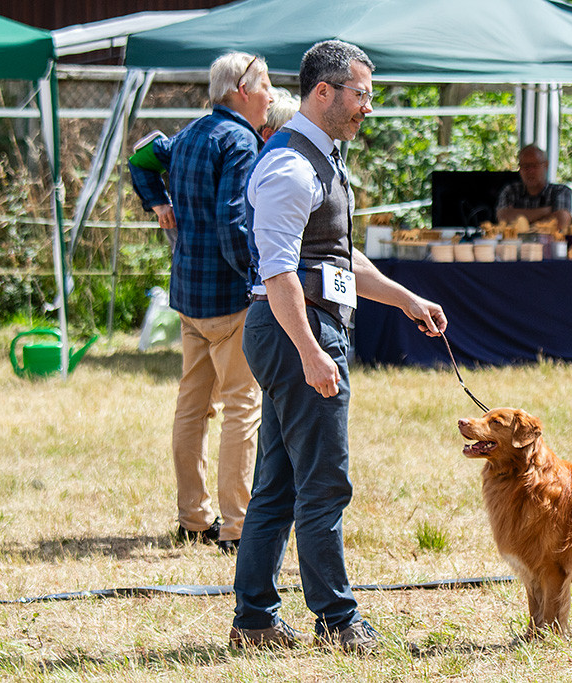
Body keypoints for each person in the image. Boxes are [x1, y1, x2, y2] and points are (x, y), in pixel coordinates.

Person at [230, 40, 447, 654]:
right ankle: (339, 621)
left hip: (304, 329)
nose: (367, 109)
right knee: (324, 484)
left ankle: (255, 622)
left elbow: (335, 256)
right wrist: (310, 351)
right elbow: (278, 275)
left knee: (278, 485)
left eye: (369, 96)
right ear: (322, 92)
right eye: (360, 95)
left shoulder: (322, 158)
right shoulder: (290, 167)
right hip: (295, 330)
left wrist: (406, 299)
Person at [128, 52, 274, 555]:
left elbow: (140, 157)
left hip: (188, 297)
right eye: (266, 85)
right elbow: (235, 224)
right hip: (230, 299)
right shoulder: (239, 141)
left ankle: (194, 517)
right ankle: (237, 526)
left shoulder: (189, 134)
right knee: (243, 408)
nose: (271, 96)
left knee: (193, 407)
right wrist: (259, 280)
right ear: (240, 88)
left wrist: (157, 201)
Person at [496, 144, 572, 232]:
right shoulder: (511, 191)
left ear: (546, 165)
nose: (530, 171)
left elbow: (561, 222)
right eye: (525, 166)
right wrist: (546, 211)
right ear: (519, 168)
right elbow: (503, 218)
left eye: (535, 165)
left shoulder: (561, 191)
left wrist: (519, 222)